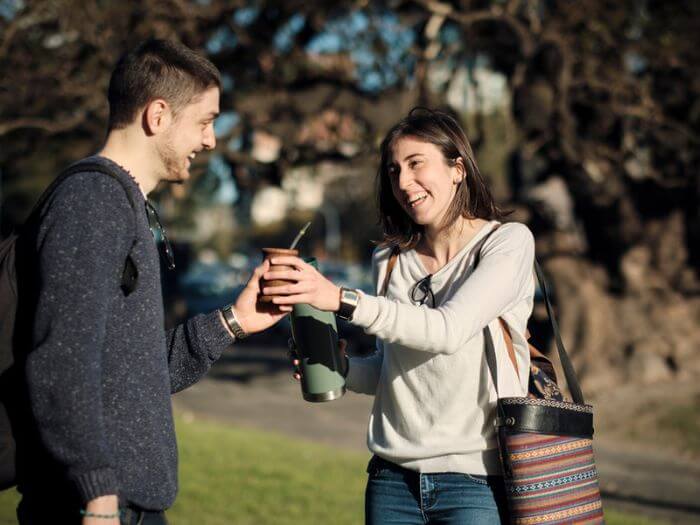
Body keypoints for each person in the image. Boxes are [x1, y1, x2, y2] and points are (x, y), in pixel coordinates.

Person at [12, 39, 289, 524]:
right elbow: (60, 361)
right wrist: (96, 495)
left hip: (125, 505)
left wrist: (234, 321)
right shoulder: (93, 200)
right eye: (205, 122)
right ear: (157, 115)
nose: (211, 141)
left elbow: (134, 376)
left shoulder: (122, 206)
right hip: (94, 508)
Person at [263, 108, 535, 524]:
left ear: (457, 168)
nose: (403, 183)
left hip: (476, 483)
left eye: (415, 164)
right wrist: (341, 368)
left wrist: (340, 299)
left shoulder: (506, 244)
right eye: (393, 171)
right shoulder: (389, 260)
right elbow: (393, 371)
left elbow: (447, 331)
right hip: (392, 482)